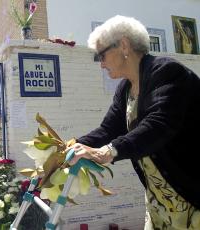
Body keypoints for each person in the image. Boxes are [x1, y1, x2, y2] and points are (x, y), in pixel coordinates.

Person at [69, 15, 200, 229]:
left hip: (190, 199)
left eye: (101, 55)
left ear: (123, 45)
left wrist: (106, 152)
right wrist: (70, 146)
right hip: (160, 202)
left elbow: (158, 125)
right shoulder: (126, 88)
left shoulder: (167, 72)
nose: (101, 64)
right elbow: (108, 129)